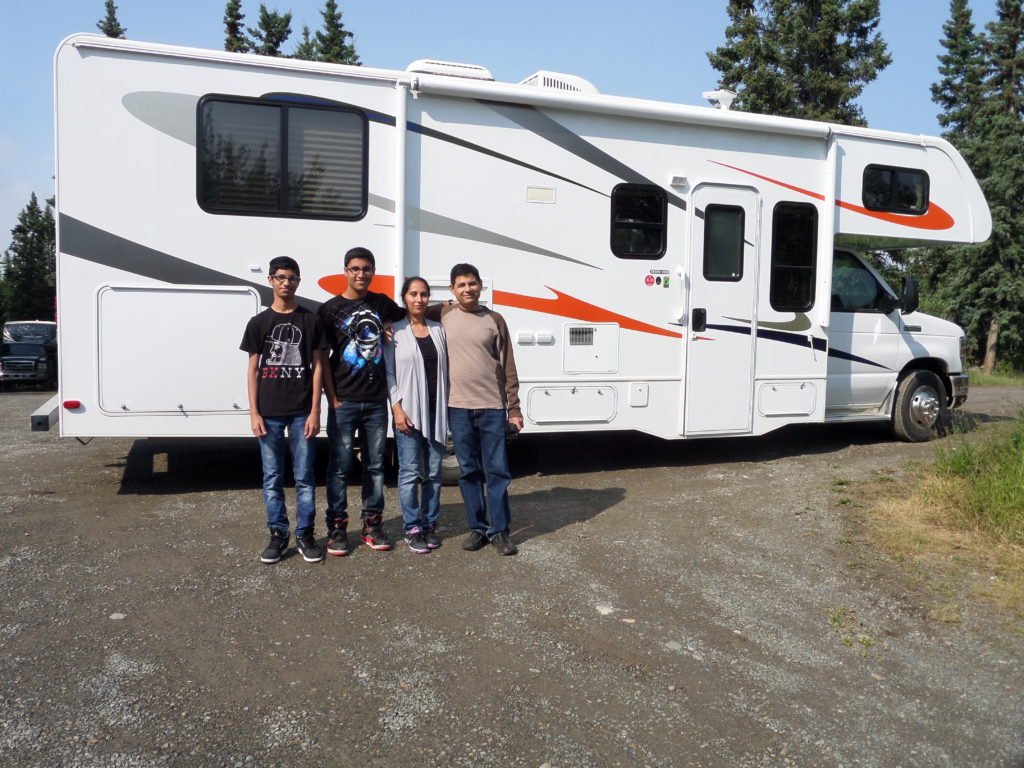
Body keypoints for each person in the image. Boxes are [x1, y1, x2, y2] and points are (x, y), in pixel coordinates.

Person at [428, 263, 523, 556]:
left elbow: (508, 365)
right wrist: (443, 302)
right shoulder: (443, 314)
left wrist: (514, 409)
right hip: (457, 407)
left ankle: (500, 532)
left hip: (492, 407)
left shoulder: (494, 319)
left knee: (497, 471)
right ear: (452, 289)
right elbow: (412, 311)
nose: (467, 289)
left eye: (472, 284)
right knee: (468, 471)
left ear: (481, 285)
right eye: (461, 285)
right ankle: (477, 529)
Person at [240, 256, 327, 565]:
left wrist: (316, 410)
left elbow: (318, 367)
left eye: (291, 277)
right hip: (269, 412)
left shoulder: (311, 320)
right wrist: (254, 413)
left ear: (298, 282)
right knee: (272, 477)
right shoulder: (259, 323)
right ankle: (278, 534)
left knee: (305, 477)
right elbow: (252, 370)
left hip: (303, 410)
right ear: (270, 280)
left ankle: (305, 534)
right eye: (280, 277)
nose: (286, 282)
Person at [318, 247, 405, 555]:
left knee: (376, 467)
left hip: (375, 402)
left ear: (372, 272)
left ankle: (372, 525)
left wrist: (446, 306)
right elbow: (322, 358)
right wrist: (332, 397)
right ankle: (337, 529)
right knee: (339, 467)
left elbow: (412, 313)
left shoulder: (380, 303)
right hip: (344, 401)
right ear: (345, 271)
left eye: (367, 269)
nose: (361, 274)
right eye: (355, 268)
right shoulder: (329, 309)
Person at [384, 277, 449, 554]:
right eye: (413, 294)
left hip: (437, 412)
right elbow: (388, 373)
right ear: (404, 298)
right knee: (410, 474)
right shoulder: (393, 332)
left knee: (434, 474)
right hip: (408, 414)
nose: (419, 299)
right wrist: (396, 408)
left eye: (424, 294)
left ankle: (430, 524)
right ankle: (412, 527)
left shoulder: (439, 330)